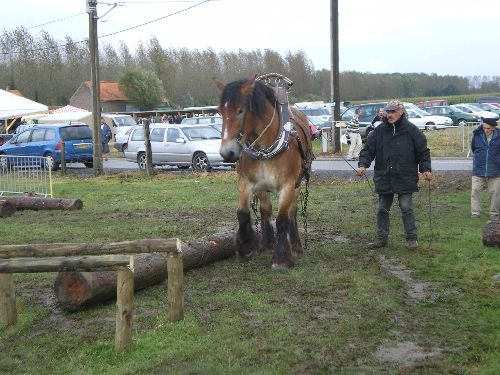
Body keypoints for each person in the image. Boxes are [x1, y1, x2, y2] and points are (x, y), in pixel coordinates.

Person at [356, 100, 433, 250]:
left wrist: (425, 169)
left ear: (401, 112)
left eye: (393, 112)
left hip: (406, 176)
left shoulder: (412, 131)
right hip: (384, 176)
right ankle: (382, 239)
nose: (389, 114)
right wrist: (362, 164)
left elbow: (423, 152)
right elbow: (368, 151)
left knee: (406, 207)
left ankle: (412, 239)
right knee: (382, 209)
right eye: (388, 111)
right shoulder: (378, 131)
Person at [470, 117, 500, 218]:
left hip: (496, 169)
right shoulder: (477, 135)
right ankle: (475, 213)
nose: (486, 130)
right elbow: (474, 148)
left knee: (495, 193)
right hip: (479, 168)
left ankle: (494, 214)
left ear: (493, 128)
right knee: (475, 191)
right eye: (484, 128)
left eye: (488, 128)